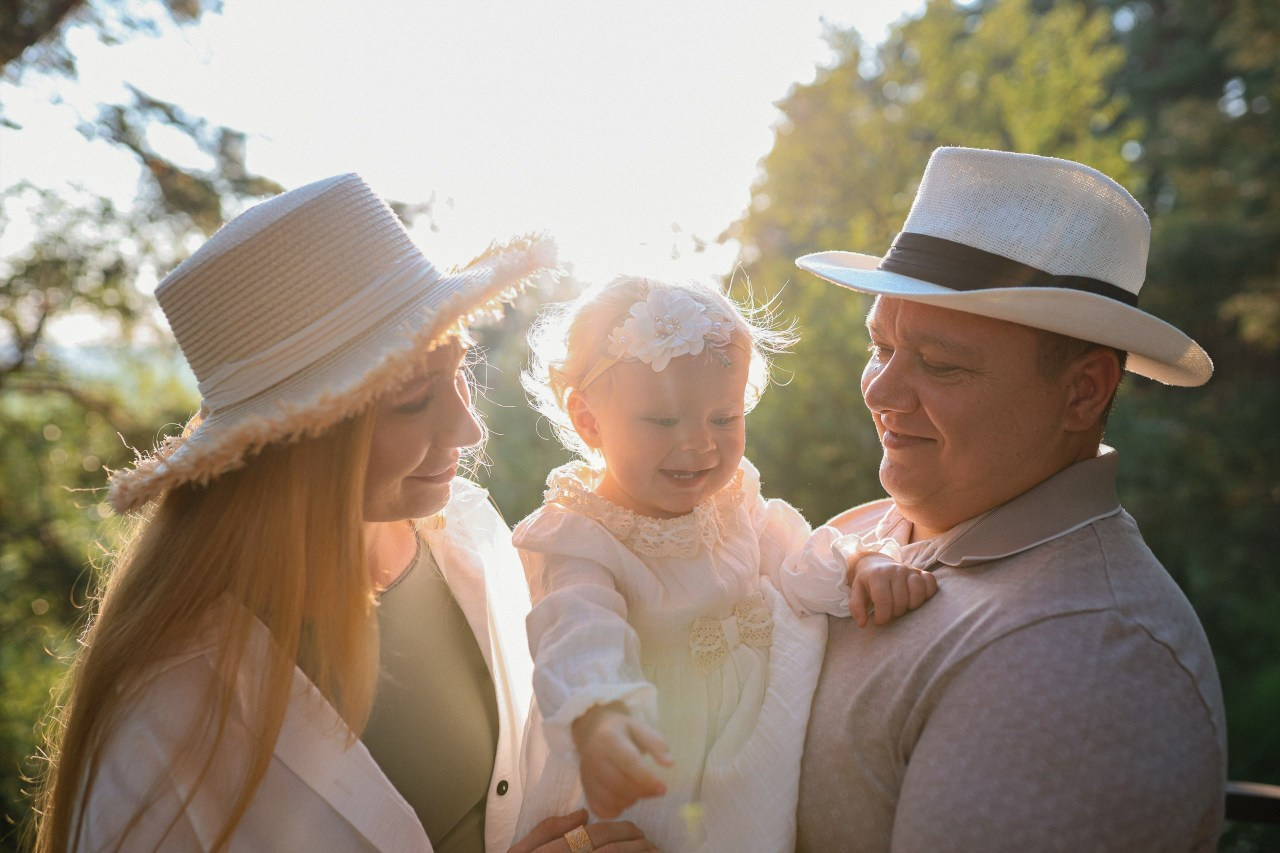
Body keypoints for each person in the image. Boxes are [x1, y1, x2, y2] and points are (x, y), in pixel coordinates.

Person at [29, 173, 653, 852]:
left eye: (459, 373)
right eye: (415, 400)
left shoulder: (469, 534)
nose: (468, 428)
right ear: (305, 443)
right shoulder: (164, 720)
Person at [792, 146, 1228, 851]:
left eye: (939, 363)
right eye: (880, 346)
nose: (879, 391)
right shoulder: (863, 530)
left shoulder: (1084, 660)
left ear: (1084, 391)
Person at [511, 275, 938, 851]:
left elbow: (796, 552)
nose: (700, 445)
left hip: (753, 731)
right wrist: (602, 716)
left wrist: (859, 562)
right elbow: (577, 628)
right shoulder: (584, 534)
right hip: (655, 748)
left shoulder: (733, 498)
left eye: (724, 418)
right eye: (664, 421)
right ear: (588, 420)